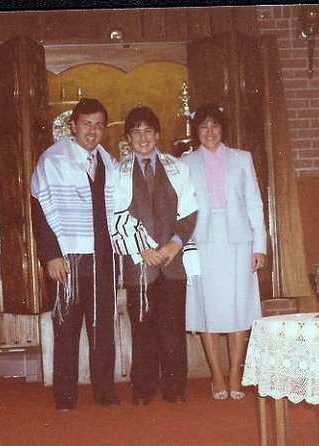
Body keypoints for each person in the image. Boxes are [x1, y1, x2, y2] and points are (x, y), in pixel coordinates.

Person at [30, 98, 120, 410]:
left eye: (98, 125)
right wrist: (51, 255)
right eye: (86, 124)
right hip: (67, 257)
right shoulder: (53, 160)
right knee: (66, 329)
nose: (92, 131)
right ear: (73, 125)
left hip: (101, 257)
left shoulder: (107, 161)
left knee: (103, 328)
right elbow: (40, 210)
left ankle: (105, 393)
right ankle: (65, 397)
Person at [112, 106, 198, 406]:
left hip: (172, 262)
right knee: (142, 329)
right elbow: (114, 216)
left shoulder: (178, 168)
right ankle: (143, 389)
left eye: (148, 131)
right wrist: (141, 248)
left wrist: (174, 244)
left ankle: (175, 390)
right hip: (140, 264)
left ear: (158, 135)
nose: (143, 137)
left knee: (172, 329)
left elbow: (189, 212)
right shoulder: (117, 173)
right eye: (136, 132)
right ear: (128, 138)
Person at [182, 103, 266, 401]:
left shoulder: (242, 159)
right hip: (201, 242)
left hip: (238, 242)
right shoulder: (185, 163)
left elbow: (254, 203)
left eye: (214, 125)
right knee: (208, 309)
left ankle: (235, 376)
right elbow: (182, 209)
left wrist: (260, 246)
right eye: (203, 126)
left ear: (222, 128)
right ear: (196, 131)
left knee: (237, 308)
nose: (209, 131)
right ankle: (217, 375)